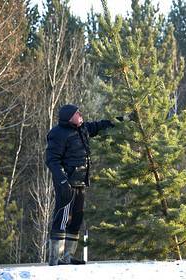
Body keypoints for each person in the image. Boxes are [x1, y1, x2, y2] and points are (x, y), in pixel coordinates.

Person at [45, 104, 132, 265]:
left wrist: (125, 119)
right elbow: (51, 160)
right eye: (77, 113)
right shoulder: (58, 134)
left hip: (80, 181)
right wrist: (62, 180)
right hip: (66, 183)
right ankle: (55, 259)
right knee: (62, 218)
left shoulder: (83, 129)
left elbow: (102, 125)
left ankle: (67, 257)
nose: (80, 114)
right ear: (69, 117)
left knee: (77, 218)